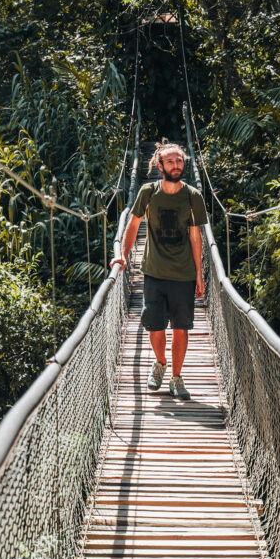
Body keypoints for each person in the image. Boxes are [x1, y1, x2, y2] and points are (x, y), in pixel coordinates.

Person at [110, 139, 208, 399]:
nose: (176, 165)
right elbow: (133, 224)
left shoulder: (193, 197)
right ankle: (160, 363)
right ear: (159, 165)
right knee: (154, 326)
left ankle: (176, 377)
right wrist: (123, 255)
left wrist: (199, 274)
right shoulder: (148, 192)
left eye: (179, 160)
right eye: (171, 161)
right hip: (153, 272)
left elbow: (196, 237)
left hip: (184, 274)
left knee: (181, 328)